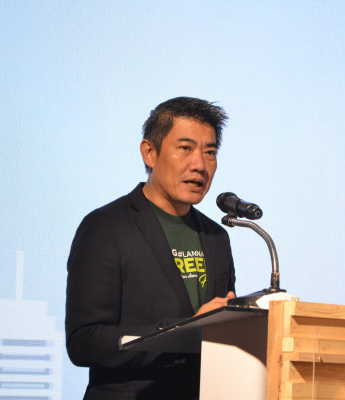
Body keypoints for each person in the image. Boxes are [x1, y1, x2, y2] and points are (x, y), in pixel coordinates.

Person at [65, 96, 236, 399]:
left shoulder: (216, 236)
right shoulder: (105, 227)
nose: (199, 165)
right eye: (185, 148)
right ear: (150, 153)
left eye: (210, 152)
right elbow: (84, 341)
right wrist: (185, 330)